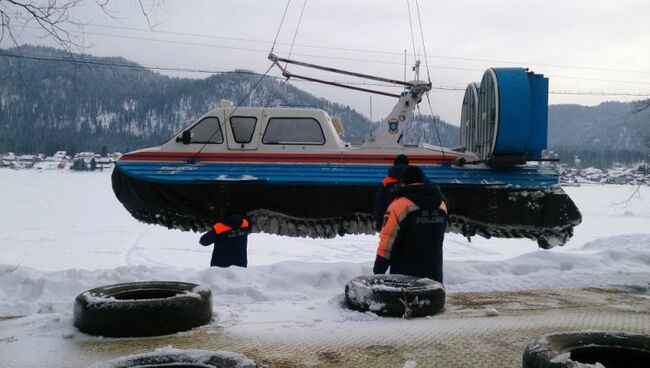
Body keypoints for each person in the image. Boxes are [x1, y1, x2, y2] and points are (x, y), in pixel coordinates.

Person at [373, 165, 448, 283]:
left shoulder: (399, 205)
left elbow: (388, 240)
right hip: (434, 275)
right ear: (423, 180)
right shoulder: (441, 205)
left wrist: (379, 269)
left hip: (405, 276)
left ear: (404, 182)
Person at [373, 154, 409, 231]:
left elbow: (379, 203)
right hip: (411, 216)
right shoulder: (415, 178)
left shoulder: (386, 181)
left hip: (391, 217)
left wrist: (379, 222)